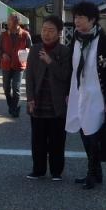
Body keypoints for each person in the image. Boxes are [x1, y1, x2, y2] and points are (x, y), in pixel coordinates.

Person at [65, 1, 106, 189]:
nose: (77, 21)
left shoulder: (103, 41)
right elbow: (71, 69)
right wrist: (68, 92)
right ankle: (96, 172)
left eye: (81, 17)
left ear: (92, 19)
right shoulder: (76, 40)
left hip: (97, 94)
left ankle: (92, 173)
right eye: (75, 17)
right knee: (83, 131)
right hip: (79, 92)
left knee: (94, 134)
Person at [24, 15, 72, 181]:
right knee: (38, 139)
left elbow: (65, 75)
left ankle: (56, 171)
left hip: (57, 103)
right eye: (44, 30)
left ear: (59, 33)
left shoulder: (64, 51)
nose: (46, 34)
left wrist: (50, 61)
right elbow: (29, 76)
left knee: (57, 139)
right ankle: (38, 169)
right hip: (38, 102)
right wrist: (30, 98)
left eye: (51, 30)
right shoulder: (35, 49)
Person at [0, 15, 31, 117]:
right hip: (6, 64)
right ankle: (12, 106)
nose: (7, 23)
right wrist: (2, 54)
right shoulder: (3, 35)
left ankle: (14, 108)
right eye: (8, 20)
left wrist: (27, 51)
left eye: (9, 21)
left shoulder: (25, 34)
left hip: (19, 65)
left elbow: (30, 48)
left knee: (16, 88)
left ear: (16, 22)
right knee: (6, 88)